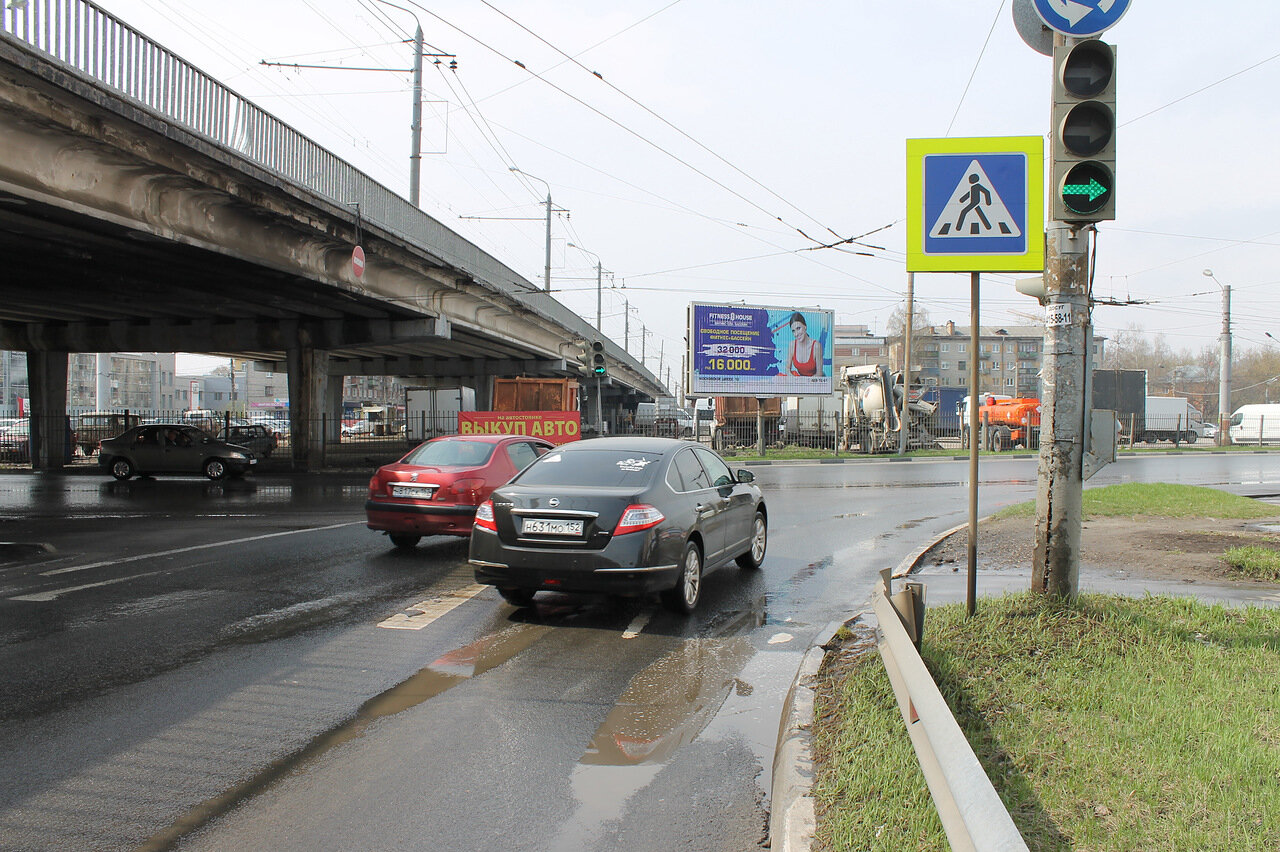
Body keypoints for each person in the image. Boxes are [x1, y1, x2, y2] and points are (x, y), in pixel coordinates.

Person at [782, 312, 823, 377]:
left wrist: (806, 382)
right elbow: (787, 369)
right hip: (800, 380)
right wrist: (793, 378)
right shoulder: (792, 345)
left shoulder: (816, 346)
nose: (796, 334)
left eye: (798, 328)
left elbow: (819, 374)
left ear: (805, 326)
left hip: (814, 380)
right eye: (793, 331)